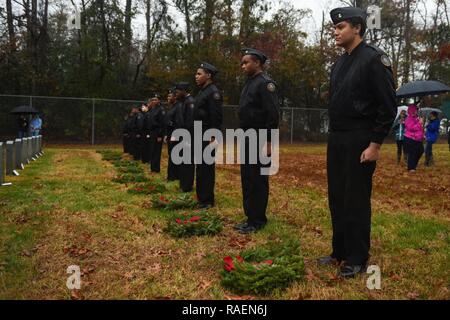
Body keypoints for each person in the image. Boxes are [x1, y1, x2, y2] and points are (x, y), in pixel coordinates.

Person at [317, 7, 396, 278]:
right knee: (337, 196)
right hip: (337, 137)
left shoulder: (374, 60)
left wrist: (375, 144)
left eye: (340, 27)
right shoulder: (340, 62)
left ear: (358, 28)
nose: (335, 32)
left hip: (360, 138)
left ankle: (357, 257)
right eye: (334, 28)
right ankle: (339, 251)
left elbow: (387, 106)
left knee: (356, 199)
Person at [233, 48, 280, 234]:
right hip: (247, 136)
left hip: (260, 137)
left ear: (257, 63)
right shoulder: (249, 83)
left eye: (246, 62)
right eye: (242, 63)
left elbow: (272, 114)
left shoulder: (265, 84)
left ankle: (258, 220)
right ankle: (250, 217)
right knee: (247, 177)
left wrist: (269, 142)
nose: (243, 66)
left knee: (258, 179)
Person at [194, 62, 223, 209]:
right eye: (196, 74)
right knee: (201, 167)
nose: (196, 76)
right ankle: (201, 197)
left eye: (199, 74)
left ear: (209, 75)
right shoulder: (203, 91)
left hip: (208, 135)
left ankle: (207, 200)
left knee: (206, 168)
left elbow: (216, 116)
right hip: (200, 134)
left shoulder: (213, 93)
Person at [175, 82, 196, 192]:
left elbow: (190, 122)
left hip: (188, 136)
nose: (176, 94)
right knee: (183, 161)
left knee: (187, 162)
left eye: (177, 91)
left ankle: (187, 186)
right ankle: (183, 184)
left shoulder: (190, 102)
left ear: (183, 91)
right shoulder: (184, 102)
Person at [146, 94, 166, 173]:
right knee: (152, 150)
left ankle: (156, 169)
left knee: (156, 151)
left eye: (156, 100)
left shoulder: (161, 110)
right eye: (153, 100)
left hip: (157, 132)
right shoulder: (153, 109)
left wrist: (160, 135)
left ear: (159, 101)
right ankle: (152, 168)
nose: (154, 101)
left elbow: (162, 123)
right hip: (152, 132)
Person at [165, 88, 182, 181]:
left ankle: (172, 176)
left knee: (174, 155)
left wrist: (175, 135)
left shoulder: (178, 106)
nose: (168, 98)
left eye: (169, 96)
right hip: (170, 134)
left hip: (175, 134)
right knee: (171, 155)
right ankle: (173, 175)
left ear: (175, 97)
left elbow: (178, 122)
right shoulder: (172, 106)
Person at [404, 104, 424, 171]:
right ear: (412, 110)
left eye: (417, 110)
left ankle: (413, 165)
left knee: (421, 151)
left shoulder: (417, 118)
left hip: (418, 138)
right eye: (415, 110)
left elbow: (419, 129)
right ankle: (411, 167)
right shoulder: (408, 118)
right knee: (412, 153)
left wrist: (422, 135)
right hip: (410, 138)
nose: (416, 111)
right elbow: (411, 128)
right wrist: (419, 123)